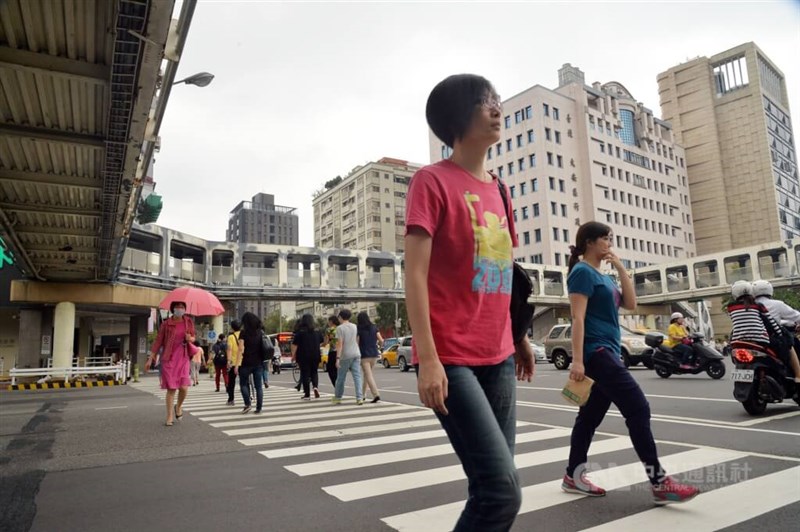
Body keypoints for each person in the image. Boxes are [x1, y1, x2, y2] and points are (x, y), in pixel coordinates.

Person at [404, 74, 535, 531]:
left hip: (498, 354)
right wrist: (427, 360)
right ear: (459, 117)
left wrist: (518, 337)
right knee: (501, 492)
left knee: (495, 485)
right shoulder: (431, 181)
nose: (496, 109)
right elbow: (415, 274)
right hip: (451, 358)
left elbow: (504, 276)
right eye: (485, 102)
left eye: (496, 100)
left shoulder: (500, 190)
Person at [562, 221, 699, 504]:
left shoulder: (604, 276)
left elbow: (631, 304)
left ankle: (572, 476)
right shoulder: (581, 273)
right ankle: (659, 482)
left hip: (609, 350)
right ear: (589, 242)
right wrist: (577, 360)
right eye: (605, 239)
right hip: (596, 351)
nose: (609, 243)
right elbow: (577, 318)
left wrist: (621, 269)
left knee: (588, 418)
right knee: (638, 407)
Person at [728, 281, 800, 383]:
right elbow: (772, 321)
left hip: (739, 341)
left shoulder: (731, 307)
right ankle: (798, 375)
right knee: (790, 344)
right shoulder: (762, 305)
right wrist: (781, 334)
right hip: (765, 339)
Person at [145, 301, 198, 426]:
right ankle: (169, 416)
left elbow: (193, 337)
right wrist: (150, 358)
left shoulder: (188, 322)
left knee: (184, 388)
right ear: (173, 309)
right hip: (169, 358)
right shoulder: (166, 324)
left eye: (182, 307)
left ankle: (178, 406)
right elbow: (158, 341)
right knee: (171, 388)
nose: (180, 309)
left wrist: (189, 338)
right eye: (177, 307)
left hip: (184, 357)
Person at [236, 312, 267, 414]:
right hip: (258, 362)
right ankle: (259, 408)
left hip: (246, 362)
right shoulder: (260, 332)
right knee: (258, 386)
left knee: (243, 384)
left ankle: (247, 404)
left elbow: (240, 349)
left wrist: (236, 365)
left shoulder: (243, 332)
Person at [332, 309, 363, 405]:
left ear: (340, 317)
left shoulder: (340, 328)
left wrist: (337, 358)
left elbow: (339, 344)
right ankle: (359, 398)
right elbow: (357, 339)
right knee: (357, 377)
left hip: (345, 355)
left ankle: (338, 397)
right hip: (356, 353)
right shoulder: (354, 326)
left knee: (341, 377)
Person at [292, 314, 324, 400]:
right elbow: (321, 342)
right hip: (315, 355)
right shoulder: (317, 331)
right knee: (314, 372)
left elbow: (295, 345)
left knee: (305, 373)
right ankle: (315, 387)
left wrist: (293, 355)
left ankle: (307, 394)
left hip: (303, 355)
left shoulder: (300, 332)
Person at [357, 311, 383, 403]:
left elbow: (357, 343)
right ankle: (363, 395)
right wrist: (378, 347)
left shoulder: (359, 329)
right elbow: (381, 340)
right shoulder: (374, 327)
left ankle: (376, 394)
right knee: (367, 376)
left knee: (368, 375)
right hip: (374, 354)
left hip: (364, 355)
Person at [225, 320, 242, 406]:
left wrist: (228, 361)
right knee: (244, 381)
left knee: (231, 382)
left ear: (232, 328)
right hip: (243, 362)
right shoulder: (244, 335)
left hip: (234, 363)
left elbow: (229, 349)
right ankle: (247, 399)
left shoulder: (231, 337)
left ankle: (231, 399)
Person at [324, 315, 340, 386]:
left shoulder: (329, 330)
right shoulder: (340, 329)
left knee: (331, 370)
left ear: (331, 322)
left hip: (333, 352)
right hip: (341, 352)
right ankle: (339, 387)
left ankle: (336, 387)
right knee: (338, 371)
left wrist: (320, 345)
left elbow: (326, 342)